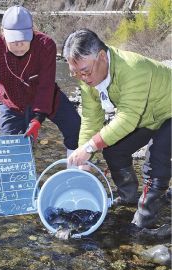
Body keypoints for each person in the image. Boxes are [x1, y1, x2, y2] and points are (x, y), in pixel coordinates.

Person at [62, 28, 171, 229]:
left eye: (85, 71)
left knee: (156, 160)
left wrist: (89, 148)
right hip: (148, 117)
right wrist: (84, 159)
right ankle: (129, 197)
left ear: (102, 57)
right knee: (114, 151)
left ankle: (144, 221)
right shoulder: (88, 82)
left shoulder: (133, 68)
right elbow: (91, 118)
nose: (82, 78)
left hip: (168, 110)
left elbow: (128, 117)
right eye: (75, 74)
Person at [0, 5, 81, 158]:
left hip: (46, 97)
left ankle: (76, 169)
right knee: (10, 149)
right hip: (11, 103)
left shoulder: (46, 46)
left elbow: (46, 84)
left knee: (75, 127)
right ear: (3, 33)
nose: (19, 45)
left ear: (32, 31)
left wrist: (38, 117)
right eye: (13, 40)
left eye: (24, 39)